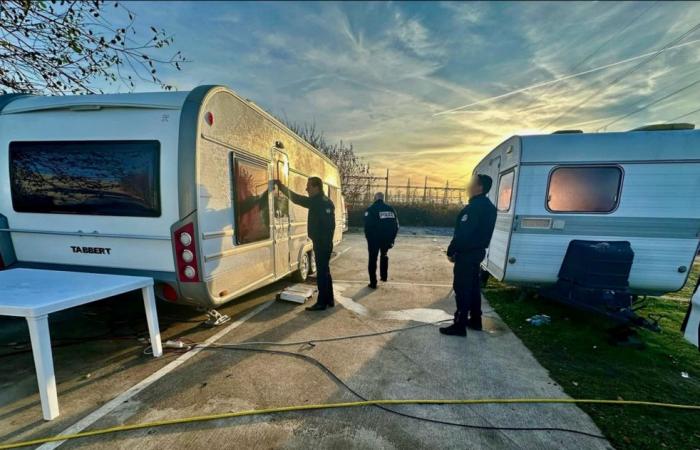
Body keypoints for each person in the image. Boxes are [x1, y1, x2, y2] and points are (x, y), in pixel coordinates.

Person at [441, 174, 497, 337]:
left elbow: (463, 234)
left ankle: (459, 325)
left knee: (462, 288)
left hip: (467, 254)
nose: (468, 185)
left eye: (471, 183)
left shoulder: (473, 208)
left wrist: (451, 250)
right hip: (478, 252)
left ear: (479, 187)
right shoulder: (489, 207)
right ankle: (475, 320)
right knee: (473, 288)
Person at [276, 176, 336, 311]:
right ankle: (329, 299)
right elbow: (331, 225)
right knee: (325, 271)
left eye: (309, 186)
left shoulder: (317, 202)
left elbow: (297, 199)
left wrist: (281, 187)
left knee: (321, 273)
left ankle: (321, 303)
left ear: (316, 187)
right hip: (326, 242)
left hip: (321, 243)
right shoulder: (327, 202)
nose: (306, 188)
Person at [363, 192, 399, 288]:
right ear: (383, 199)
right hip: (386, 239)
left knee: (372, 260)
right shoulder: (391, 209)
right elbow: (396, 226)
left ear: (375, 198)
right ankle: (384, 276)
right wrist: (392, 239)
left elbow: (367, 227)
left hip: (374, 240)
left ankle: (373, 282)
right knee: (384, 255)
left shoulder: (371, 209)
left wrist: (369, 239)